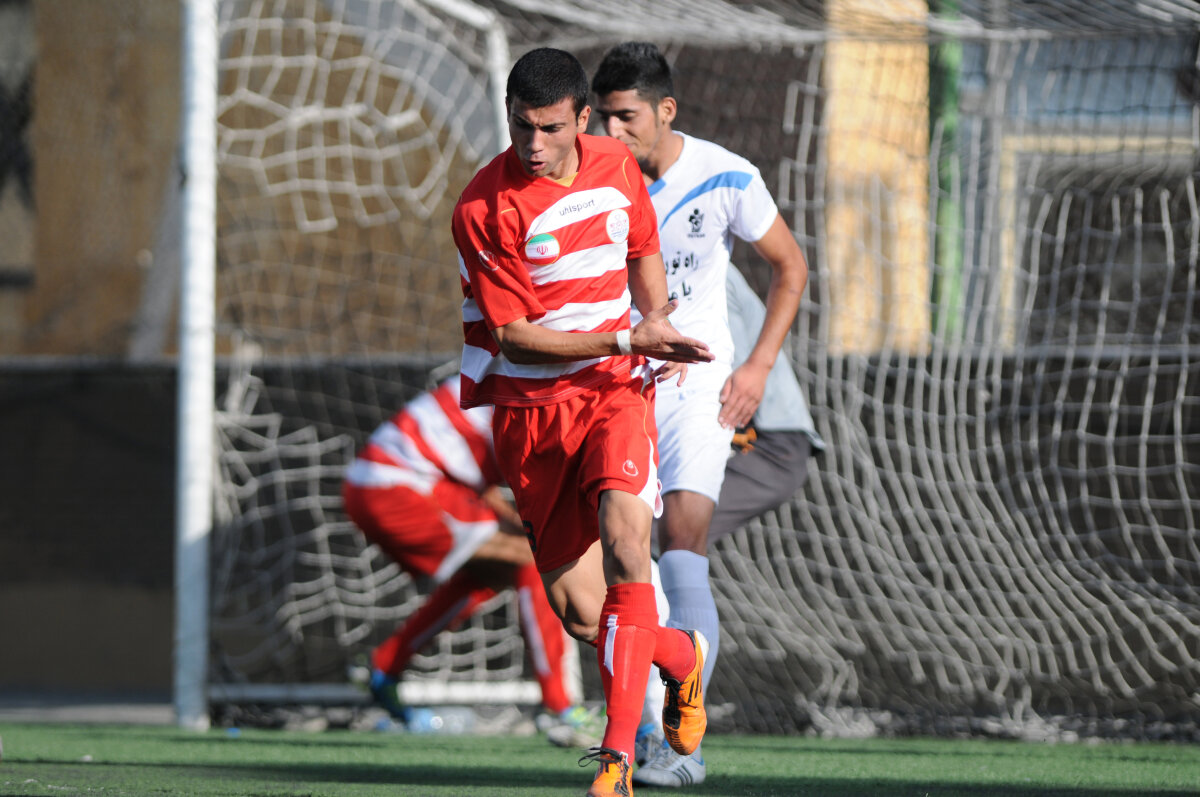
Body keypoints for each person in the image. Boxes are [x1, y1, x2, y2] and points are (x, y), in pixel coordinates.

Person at [453, 47, 715, 797]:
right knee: (583, 615)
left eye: (550, 128)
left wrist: (657, 325)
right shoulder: (480, 208)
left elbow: (643, 249)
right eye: (521, 127)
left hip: (613, 393)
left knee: (631, 546)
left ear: (580, 119)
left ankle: (616, 761)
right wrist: (631, 336)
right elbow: (514, 338)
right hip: (532, 415)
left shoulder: (617, 165)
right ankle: (681, 656)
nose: (533, 144)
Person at [591, 41, 811, 786]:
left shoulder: (726, 174)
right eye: (604, 117)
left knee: (682, 543)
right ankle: (643, 727)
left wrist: (757, 366)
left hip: (697, 385)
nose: (613, 132)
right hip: (618, 384)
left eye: (626, 117)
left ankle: (679, 750)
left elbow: (790, 265)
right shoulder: (591, 181)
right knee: (622, 564)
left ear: (665, 110)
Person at [341, 376, 600, 745]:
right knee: (532, 560)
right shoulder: (528, 391)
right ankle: (560, 708)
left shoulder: (502, 378)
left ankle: (384, 666)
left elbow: (486, 483)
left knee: (491, 573)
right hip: (397, 487)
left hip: (379, 484)